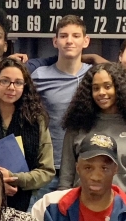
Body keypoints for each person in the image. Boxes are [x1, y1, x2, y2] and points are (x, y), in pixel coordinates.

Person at [58, 63, 126, 204]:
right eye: (96, 88)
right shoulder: (78, 127)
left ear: (119, 89)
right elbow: (66, 177)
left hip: (124, 210)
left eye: (107, 86)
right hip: (83, 209)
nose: (101, 92)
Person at [0, 57, 54, 211]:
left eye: (18, 82)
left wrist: (14, 177)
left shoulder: (37, 121)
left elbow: (47, 171)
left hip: (28, 203)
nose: (11, 87)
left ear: (25, 87)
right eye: (4, 81)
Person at [30, 16, 93, 203]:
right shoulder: (38, 76)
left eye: (76, 35)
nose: (70, 41)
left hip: (83, 166)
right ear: (55, 41)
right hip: (46, 167)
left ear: (86, 41)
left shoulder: (95, 76)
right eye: (64, 36)